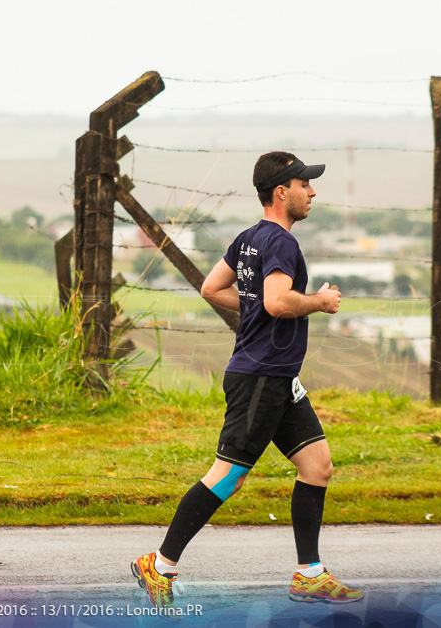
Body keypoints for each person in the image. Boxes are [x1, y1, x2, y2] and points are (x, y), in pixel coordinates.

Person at [131, 151, 365, 612]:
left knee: (317, 466)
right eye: (304, 185)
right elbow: (278, 304)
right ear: (282, 192)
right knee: (228, 476)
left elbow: (211, 289)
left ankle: (310, 575)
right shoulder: (280, 243)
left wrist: (259, 303)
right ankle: (159, 564)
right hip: (260, 377)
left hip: (277, 377)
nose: (312, 192)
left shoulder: (249, 238)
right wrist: (318, 301)